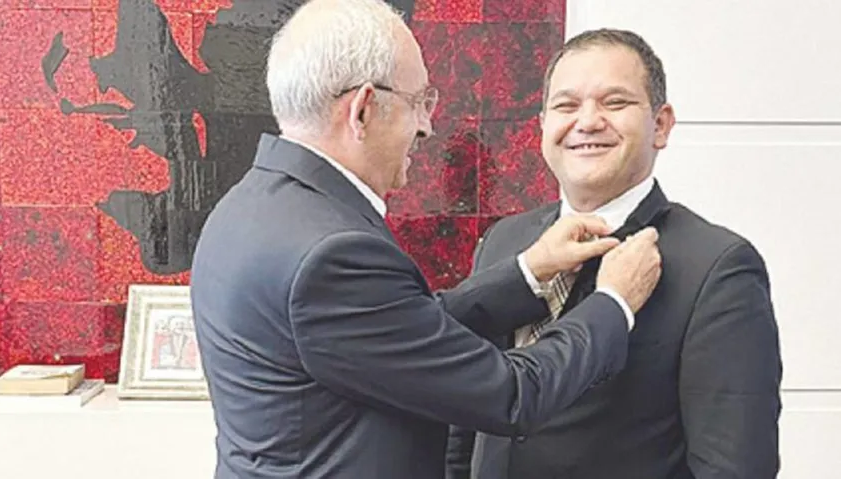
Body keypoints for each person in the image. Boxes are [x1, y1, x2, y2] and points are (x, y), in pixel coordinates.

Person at [190, 1, 664, 478]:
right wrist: (613, 302)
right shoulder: (333, 254)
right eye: (419, 102)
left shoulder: (246, 207)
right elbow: (511, 395)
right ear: (363, 110)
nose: (427, 125)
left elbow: (398, 332)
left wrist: (530, 272)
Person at [445, 28, 783, 479]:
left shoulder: (717, 267)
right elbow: (463, 425)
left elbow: (735, 467)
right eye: (566, 106)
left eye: (615, 102)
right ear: (542, 125)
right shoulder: (505, 242)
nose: (587, 122)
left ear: (660, 125)